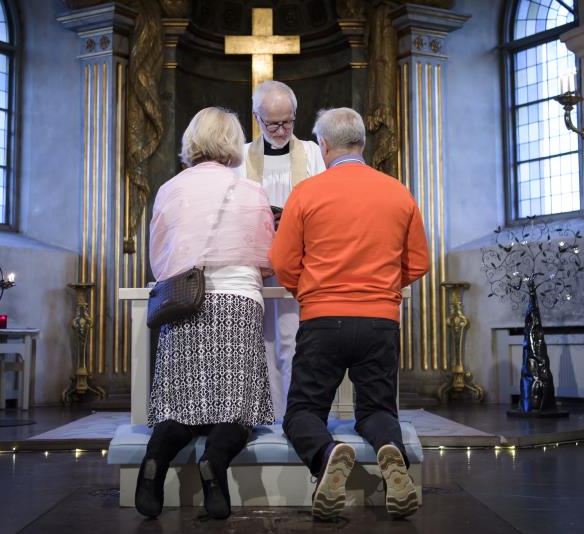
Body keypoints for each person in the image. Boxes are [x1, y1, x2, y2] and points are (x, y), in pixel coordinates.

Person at [269, 107, 430, 520]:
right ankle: (390, 452)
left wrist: (311, 292)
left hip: (323, 320)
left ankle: (327, 454)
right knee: (377, 410)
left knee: (302, 411)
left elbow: (283, 261)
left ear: (324, 145)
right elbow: (419, 262)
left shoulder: (306, 193)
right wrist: (384, 290)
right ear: (362, 142)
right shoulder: (398, 191)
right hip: (380, 321)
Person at [136, 107, 275, 520]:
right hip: (237, 300)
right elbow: (268, 257)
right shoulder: (250, 191)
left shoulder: (169, 189)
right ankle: (214, 462)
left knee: (181, 407)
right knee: (238, 409)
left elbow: (159, 258)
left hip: (184, 301)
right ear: (233, 143)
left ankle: (155, 462)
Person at [239, 80, 326, 420]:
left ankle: (294, 418)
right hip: (254, 262)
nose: (280, 130)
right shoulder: (242, 156)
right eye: (272, 123)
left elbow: (322, 205)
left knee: (291, 341)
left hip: (298, 263)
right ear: (256, 117)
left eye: (287, 122)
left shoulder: (313, 154)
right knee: (261, 343)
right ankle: (266, 417)